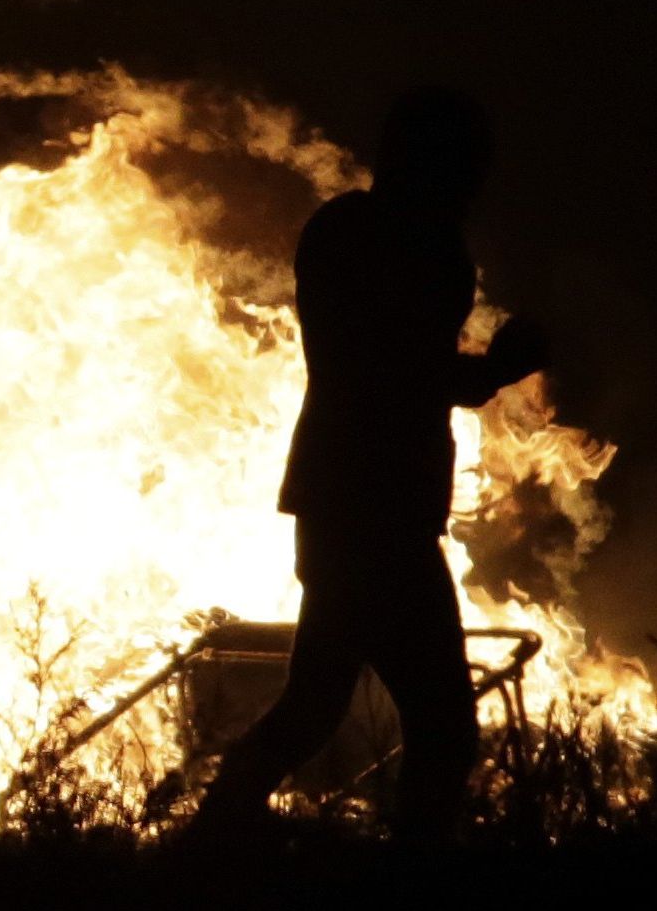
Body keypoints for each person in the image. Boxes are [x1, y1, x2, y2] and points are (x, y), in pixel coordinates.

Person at [191, 86, 548, 843]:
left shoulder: (349, 230)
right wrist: (497, 368)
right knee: (441, 725)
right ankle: (407, 884)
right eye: (467, 164)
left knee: (315, 704)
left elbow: (386, 362)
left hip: (342, 501)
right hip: (377, 512)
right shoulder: (405, 241)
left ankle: (209, 844)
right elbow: (396, 371)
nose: (477, 183)